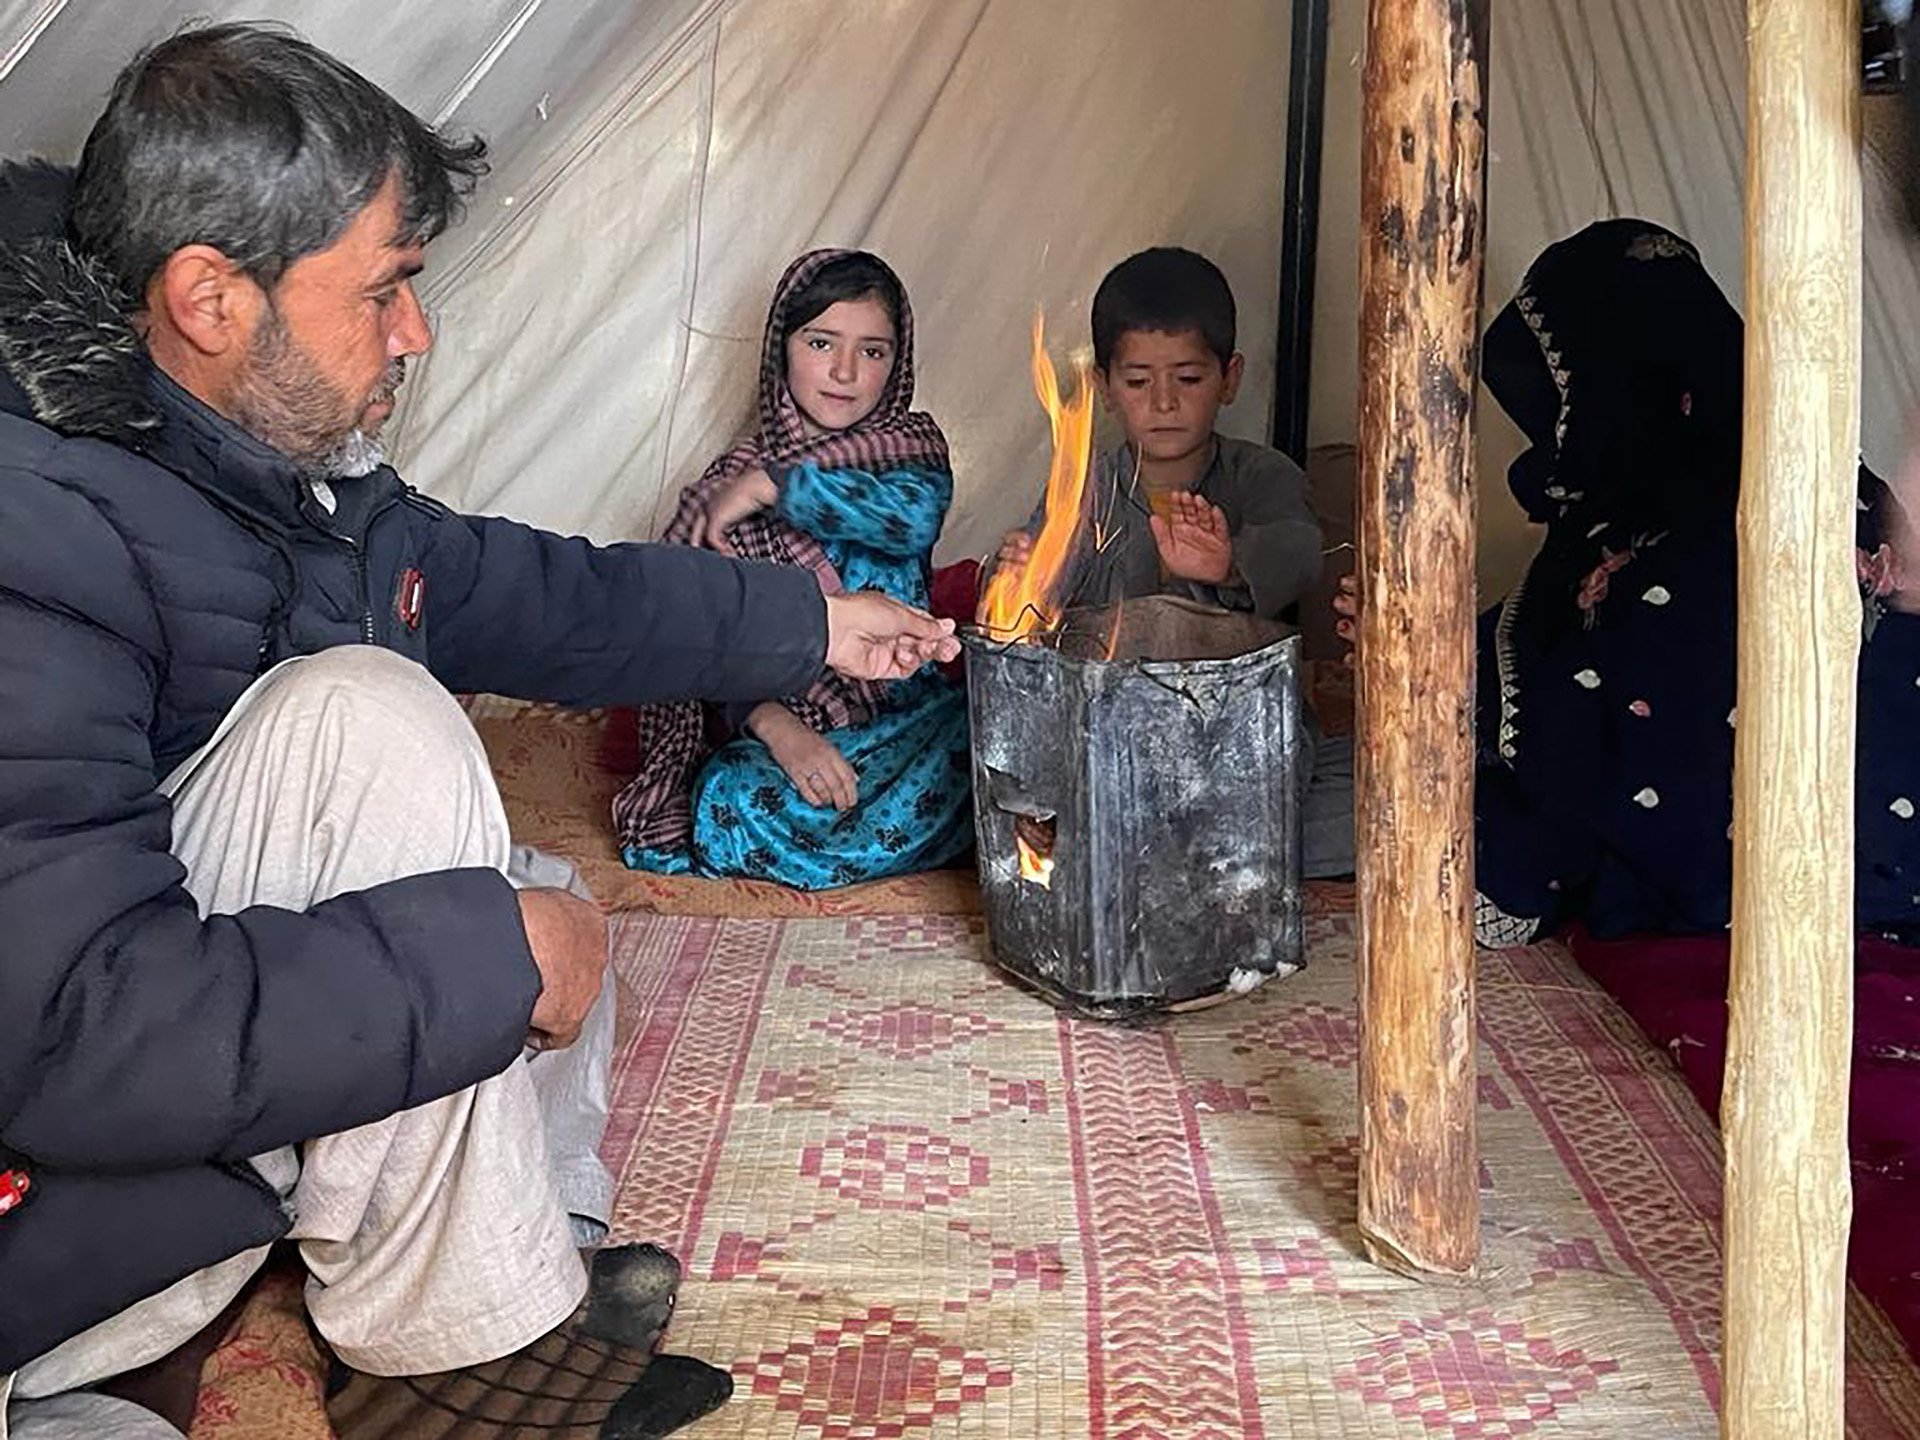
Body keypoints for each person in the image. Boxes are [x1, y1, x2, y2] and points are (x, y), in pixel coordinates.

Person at [0, 25, 957, 1440]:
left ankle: (509, 1264)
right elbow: (74, 1026)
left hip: (172, 1061)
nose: (416, 332)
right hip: (53, 1193)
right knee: (381, 736)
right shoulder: (42, 532)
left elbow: (533, 594)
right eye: (386, 288)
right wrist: (481, 962)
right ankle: (451, 1352)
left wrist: (809, 627)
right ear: (210, 296)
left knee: (544, 894)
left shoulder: (272, 475)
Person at [1334, 218, 1920, 945]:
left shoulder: (1657, 557)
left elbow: (1556, 789)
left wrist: (1422, 671)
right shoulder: (1837, 487)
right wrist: (1424, 643)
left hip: (1767, 915)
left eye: (1559, 403)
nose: (1551, 437)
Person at [614, 249, 973, 890]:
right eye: (821, 342)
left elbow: (910, 521)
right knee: (727, 796)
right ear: (782, 346)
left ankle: (893, 832)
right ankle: (916, 839)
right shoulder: (725, 488)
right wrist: (777, 727)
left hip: (913, 728)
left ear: (899, 362)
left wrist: (778, 487)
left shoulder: (910, 452)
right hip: (795, 737)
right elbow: (706, 636)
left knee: (981, 742)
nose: (844, 371)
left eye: (873, 351)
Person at [994, 246, 1350, 877]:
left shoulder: (1258, 474)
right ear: (1104, 388)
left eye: (1188, 379)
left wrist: (1228, 562)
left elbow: (1301, 552)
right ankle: (1161, 847)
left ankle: (1181, 849)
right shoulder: (1084, 487)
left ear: (1230, 377)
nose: (1163, 403)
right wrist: (1017, 576)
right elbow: (1033, 600)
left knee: (1372, 813)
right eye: (1137, 382)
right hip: (1115, 737)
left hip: (1236, 738)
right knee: (1016, 805)